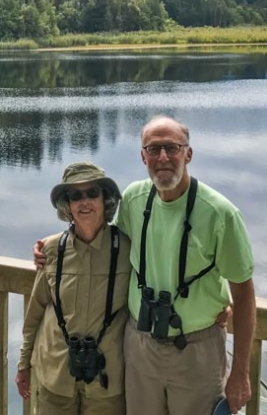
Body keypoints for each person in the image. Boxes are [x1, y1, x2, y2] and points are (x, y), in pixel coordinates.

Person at [34, 115, 255, 415]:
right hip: (140, 345)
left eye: (172, 148)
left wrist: (240, 372)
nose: (163, 157)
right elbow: (98, 234)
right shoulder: (134, 200)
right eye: (153, 149)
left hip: (196, 350)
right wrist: (52, 245)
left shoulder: (220, 214)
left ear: (188, 154)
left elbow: (244, 294)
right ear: (142, 156)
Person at [15, 161, 131, 414]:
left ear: (106, 199)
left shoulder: (127, 249)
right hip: (55, 374)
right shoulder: (51, 250)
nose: (84, 201)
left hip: (107, 379)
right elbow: (35, 311)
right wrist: (24, 363)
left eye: (92, 193)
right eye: (75, 195)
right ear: (66, 205)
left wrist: (219, 305)